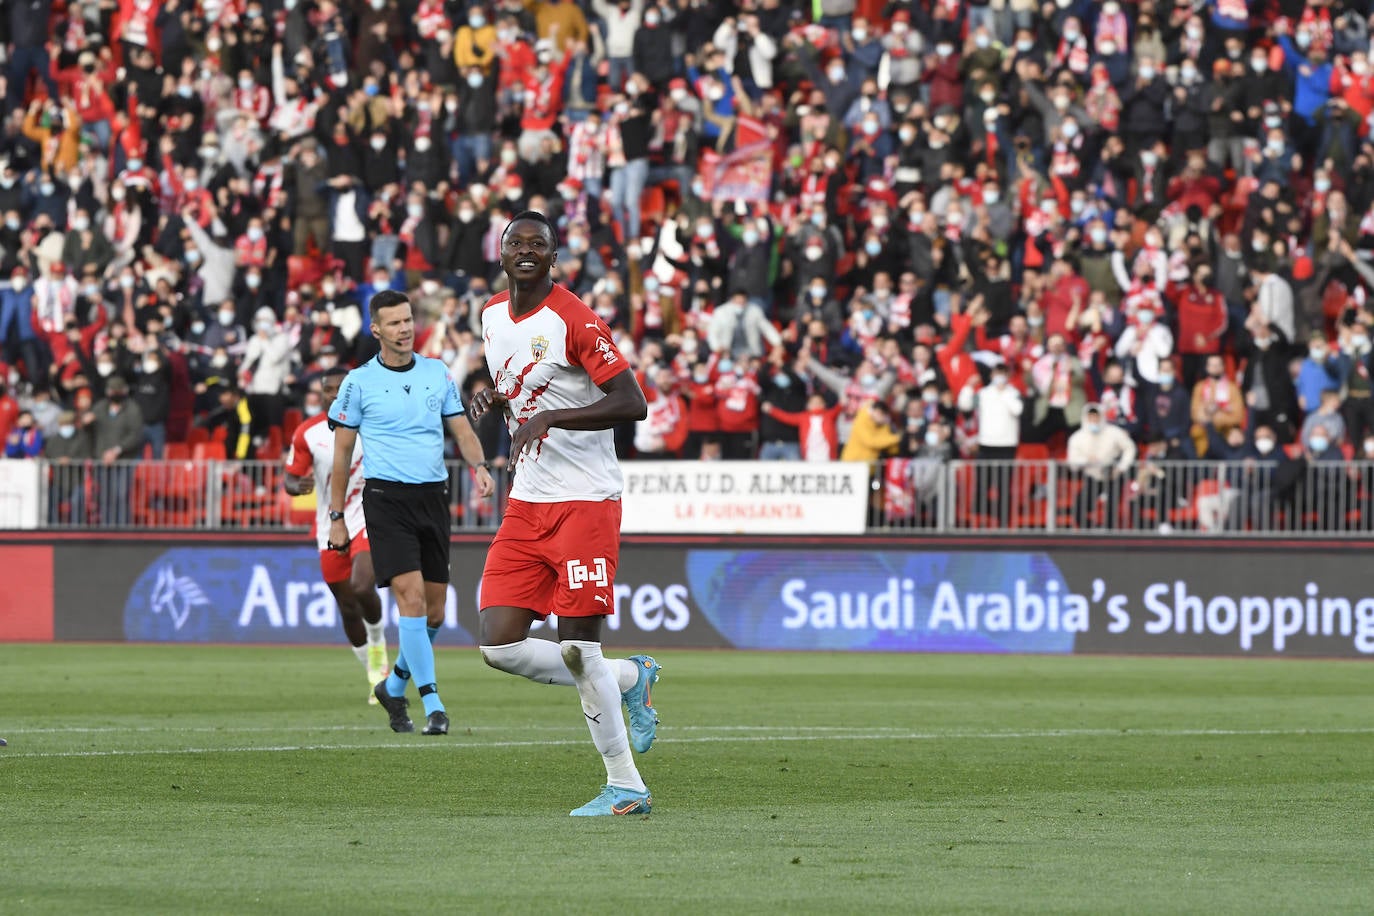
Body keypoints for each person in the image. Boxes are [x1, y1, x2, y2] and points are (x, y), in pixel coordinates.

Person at [468, 211, 660, 817]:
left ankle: (626, 786)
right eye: (515, 243)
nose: (526, 251)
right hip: (527, 503)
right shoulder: (491, 316)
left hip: (585, 501)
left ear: (554, 259)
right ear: (501, 256)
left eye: (538, 244)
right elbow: (524, 376)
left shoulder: (575, 318)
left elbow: (633, 401)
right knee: (498, 645)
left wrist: (551, 418)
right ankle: (631, 678)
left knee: (579, 649)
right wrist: (497, 396)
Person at [327, 290, 496, 736]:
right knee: (412, 601)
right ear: (376, 329)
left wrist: (478, 465)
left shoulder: (436, 373)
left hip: (432, 498)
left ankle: (394, 684)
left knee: (435, 613)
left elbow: (461, 429)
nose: (404, 328)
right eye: (395, 322)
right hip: (386, 500)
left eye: (408, 320)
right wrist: (336, 516)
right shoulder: (357, 382)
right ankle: (434, 703)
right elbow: (341, 456)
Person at [284, 366, 389, 704]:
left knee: (362, 585)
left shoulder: (374, 424)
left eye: (341, 388)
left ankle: (378, 643)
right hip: (330, 524)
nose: (334, 394)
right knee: (346, 604)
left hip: (369, 518)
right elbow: (290, 477)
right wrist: (295, 486)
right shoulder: (307, 433)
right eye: (329, 389)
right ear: (322, 393)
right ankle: (374, 673)